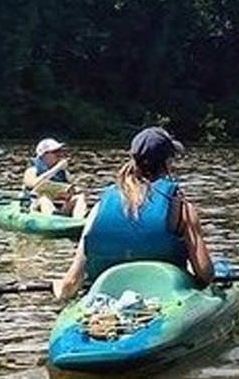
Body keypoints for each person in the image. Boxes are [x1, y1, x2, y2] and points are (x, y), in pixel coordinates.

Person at [54, 126, 217, 298]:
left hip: (107, 297)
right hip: (164, 295)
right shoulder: (181, 208)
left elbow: (70, 285)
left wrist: (57, 287)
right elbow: (205, 274)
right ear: (167, 163)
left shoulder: (99, 207)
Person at [23, 137, 89, 218]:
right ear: (44, 155)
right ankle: (51, 218)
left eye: (60, 151)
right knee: (44, 199)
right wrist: (56, 168)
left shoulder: (64, 173)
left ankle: (79, 220)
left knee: (79, 197)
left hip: (60, 208)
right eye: (55, 152)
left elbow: (73, 188)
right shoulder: (32, 171)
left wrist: (74, 190)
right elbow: (33, 185)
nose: (60, 155)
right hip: (37, 207)